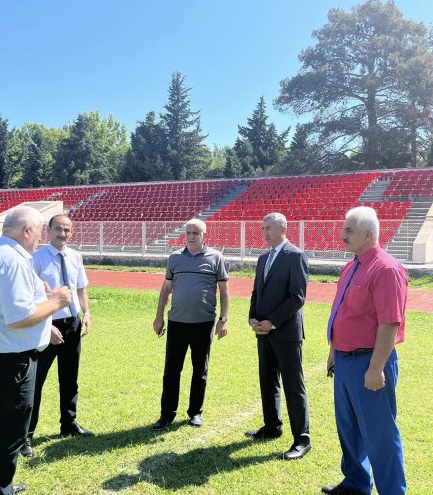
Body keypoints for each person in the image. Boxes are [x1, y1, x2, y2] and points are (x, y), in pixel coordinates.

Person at [0, 207, 72, 495]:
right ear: (27, 231)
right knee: (9, 431)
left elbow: (7, 307)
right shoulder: (13, 260)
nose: (41, 236)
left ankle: (0, 485)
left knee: (1, 427)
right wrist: (57, 302)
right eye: (39, 230)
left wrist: (45, 304)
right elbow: (18, 317)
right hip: (11, 360)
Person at [322, 206, 407, 495]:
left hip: (369, 362)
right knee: (349, 430)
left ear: (369, 234)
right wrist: (334, 351)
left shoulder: (386, 269)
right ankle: (356, 484)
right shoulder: (353, 264)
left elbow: (389, 323)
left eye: (349, 231)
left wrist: (375, 368)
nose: (342, 235)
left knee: (380, 435)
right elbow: (343, 311)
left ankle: (392, 491)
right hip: (346, 362)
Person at [20, 214, 94, 459]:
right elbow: (30, 297)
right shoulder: (36, 259)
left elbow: (80, 288)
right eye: (58, 229)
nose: (63, 234)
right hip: (47, 326)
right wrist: (45, 325)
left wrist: (87, 313)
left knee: (70, 379)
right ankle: (26, 436)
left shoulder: (75, 257)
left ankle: (68, 423)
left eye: (67, 230)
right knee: (35, 383)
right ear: (48, 231)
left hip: (72, 325)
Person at [151, 218, 230, 430]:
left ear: (205, 235)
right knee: (171, 370)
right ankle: (166, 414)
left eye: (196, 233)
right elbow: (166, 289)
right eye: (189, 232)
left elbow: (223, 291)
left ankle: (195, 412)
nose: (192, 236)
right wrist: (159, 317)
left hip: (203, 324)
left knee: (199, 370)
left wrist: (223, 320)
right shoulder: (174, 257)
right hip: (176, 323)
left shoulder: (216, 257)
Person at [246, 212, 311, 461]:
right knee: (268, 382)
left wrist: (272, 321)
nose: (264, 232)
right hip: (263, 333)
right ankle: (272, 427)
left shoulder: (295, 256)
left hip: (286, 334)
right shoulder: (263, 258)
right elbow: (256, 292)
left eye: (268, 228)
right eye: (262, 228)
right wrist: (252, 318)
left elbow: (297, 297)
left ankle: (302, 439)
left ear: (283, 228)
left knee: (294, 386)